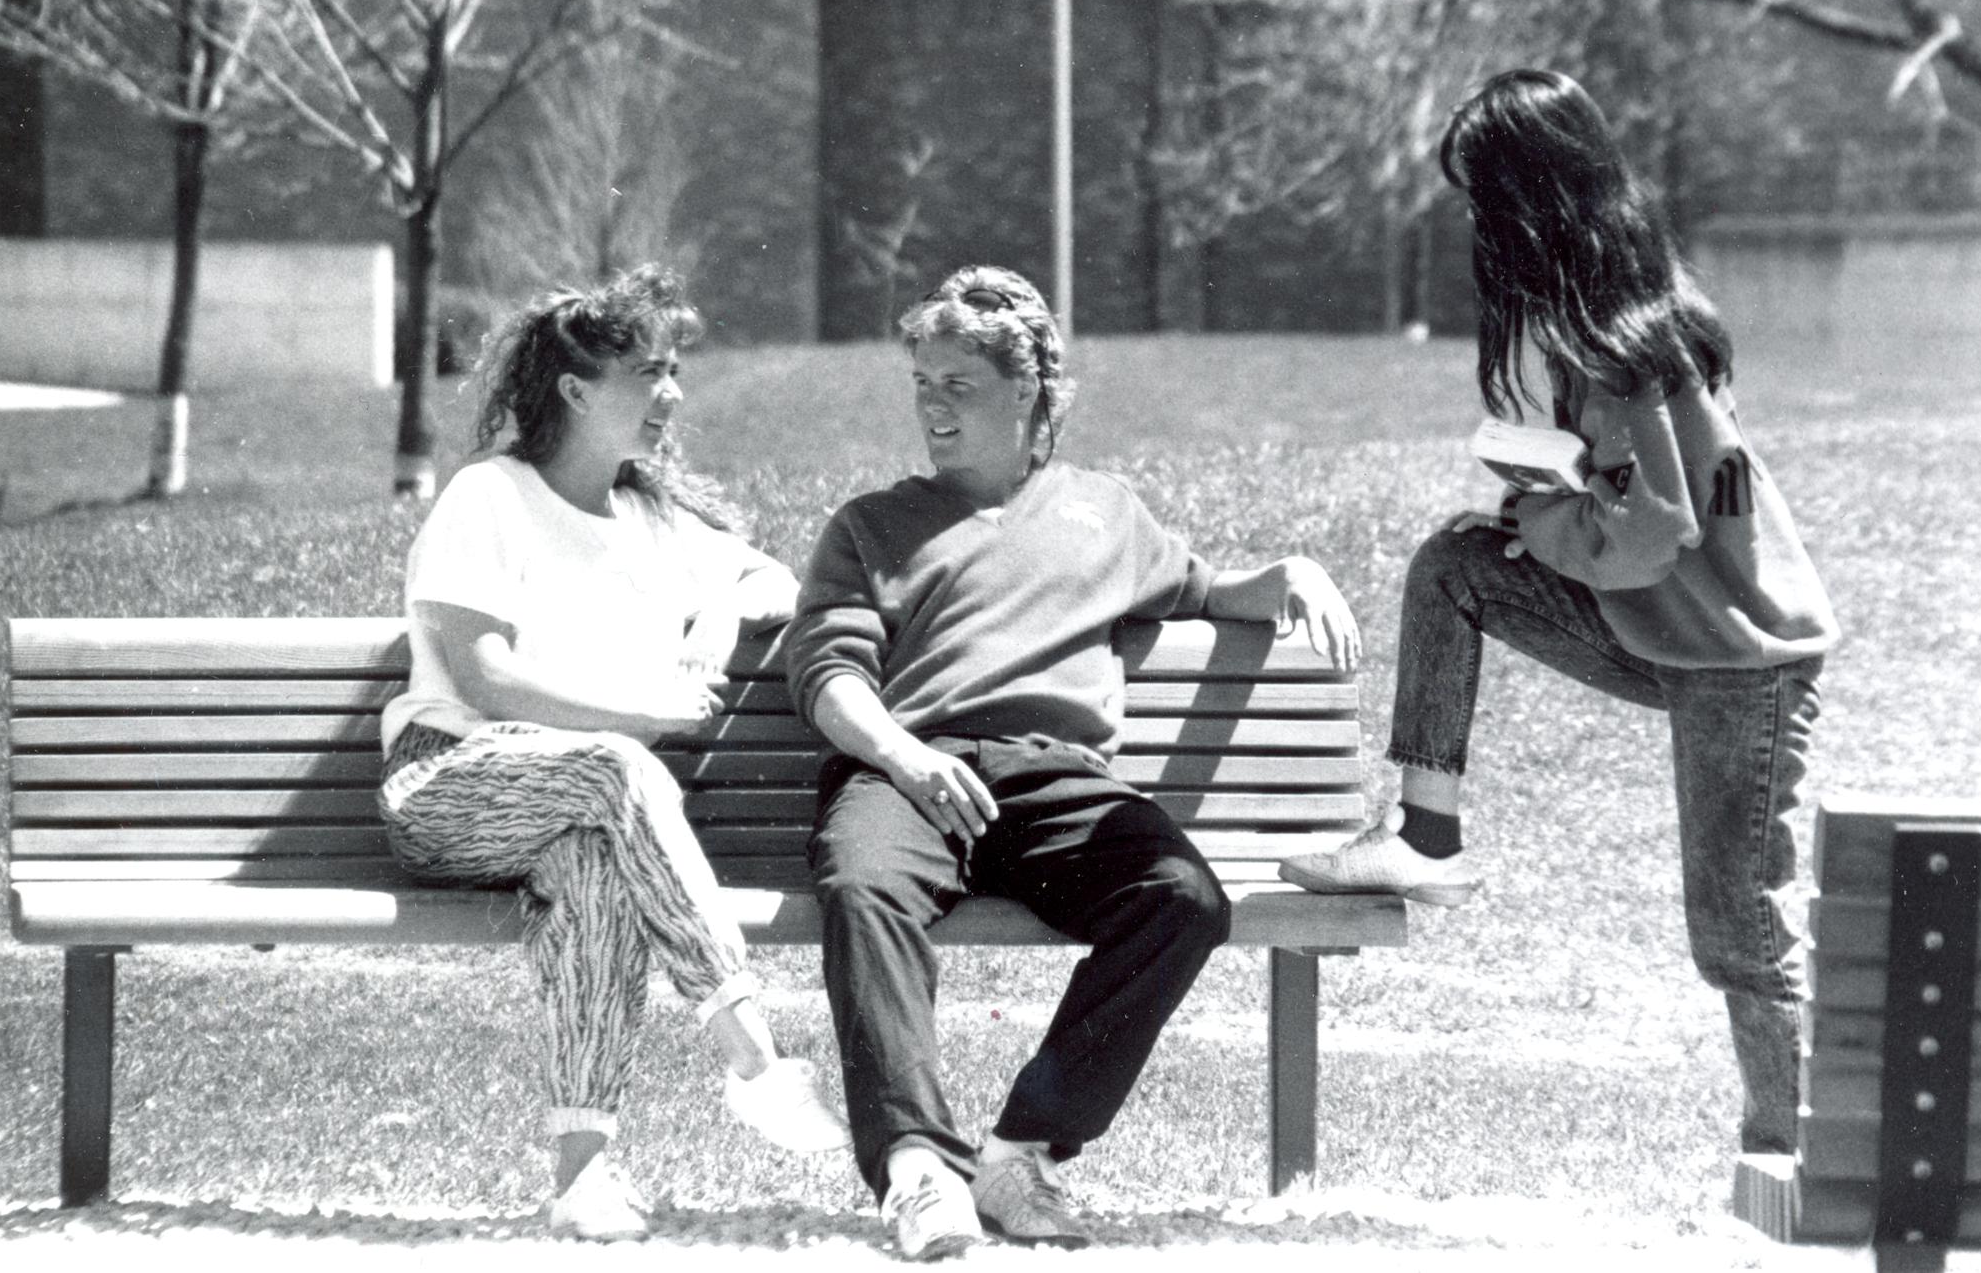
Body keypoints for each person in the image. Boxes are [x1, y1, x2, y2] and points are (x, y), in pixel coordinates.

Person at [1280, 69, 1840, 1162]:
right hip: (1675, 635)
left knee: (1736, 930)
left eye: (1484, 200)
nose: (1478, 227)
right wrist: (1533, 509)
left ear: (1534, 199)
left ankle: (1797, 1161)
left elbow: (1652, 528)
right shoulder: (1625, 324)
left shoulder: (1625, 350)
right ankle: (1425, 833)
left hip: (1743, 662)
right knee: (1455, 566)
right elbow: (1644, 515)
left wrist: (1541, 514)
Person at [784, 266, 1361, 1260]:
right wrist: (905, 758)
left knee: (1180, 898)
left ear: (1025, 392)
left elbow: (1206, 589)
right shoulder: (870, 526)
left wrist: (1292, 571)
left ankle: (1020, 1156)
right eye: (921, 383)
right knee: (864, 885)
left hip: (1054, 783)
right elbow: (828, 675)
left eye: (958, 385)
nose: (932, 406)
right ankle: (918, 1168)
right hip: (908, 770)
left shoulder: (1104, 513)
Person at [375, 267, 848, 1242]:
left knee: (596, 870)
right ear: (575, 390)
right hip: (451, 780)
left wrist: (718, 613)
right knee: (619, 767)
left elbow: (775, 580)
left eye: (675, 371)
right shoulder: (487, 497)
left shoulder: (652, 521)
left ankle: (581, 1176)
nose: (670, 393)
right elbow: (486, 680)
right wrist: (648, 714)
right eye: (647, 373)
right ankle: (755, 1061)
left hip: (583, 804)